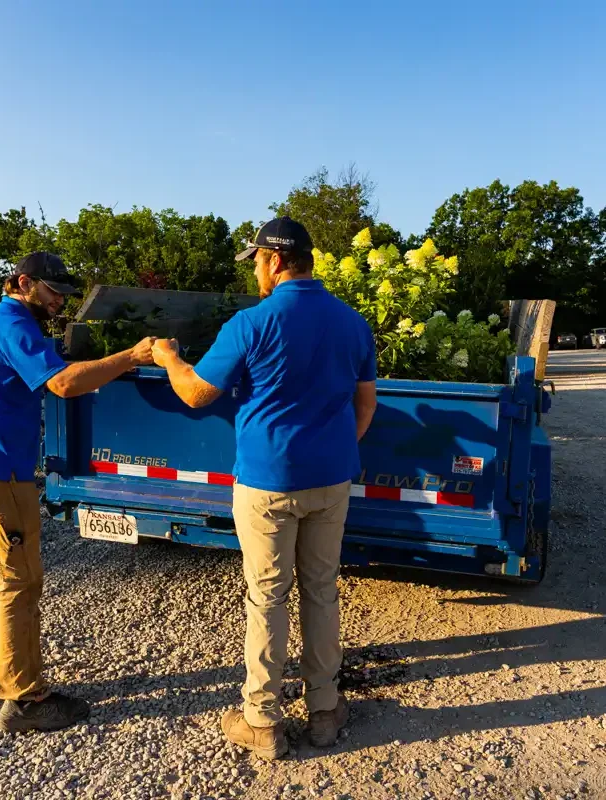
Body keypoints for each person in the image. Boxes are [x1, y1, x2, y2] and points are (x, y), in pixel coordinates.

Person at [151, 217, 378, 759]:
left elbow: (197, 395)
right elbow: (364, 405)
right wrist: (331, 451)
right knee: (321, 590)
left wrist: (169, 359)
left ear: (276, 260)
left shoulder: (250, 323)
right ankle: (324, 709)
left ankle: (262, 719)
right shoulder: (353, 323)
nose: (255, 267)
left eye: (256, 258)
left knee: (267, 597)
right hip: (332, 481)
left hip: (267, 485)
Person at [0, 251, 155, 733]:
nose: (60, 301)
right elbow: (65, 384)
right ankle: (25, 699)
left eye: (66, 293)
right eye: (53, 291)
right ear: (23, 282)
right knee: (18, 582)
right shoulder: (16, 328)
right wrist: (132, 356)